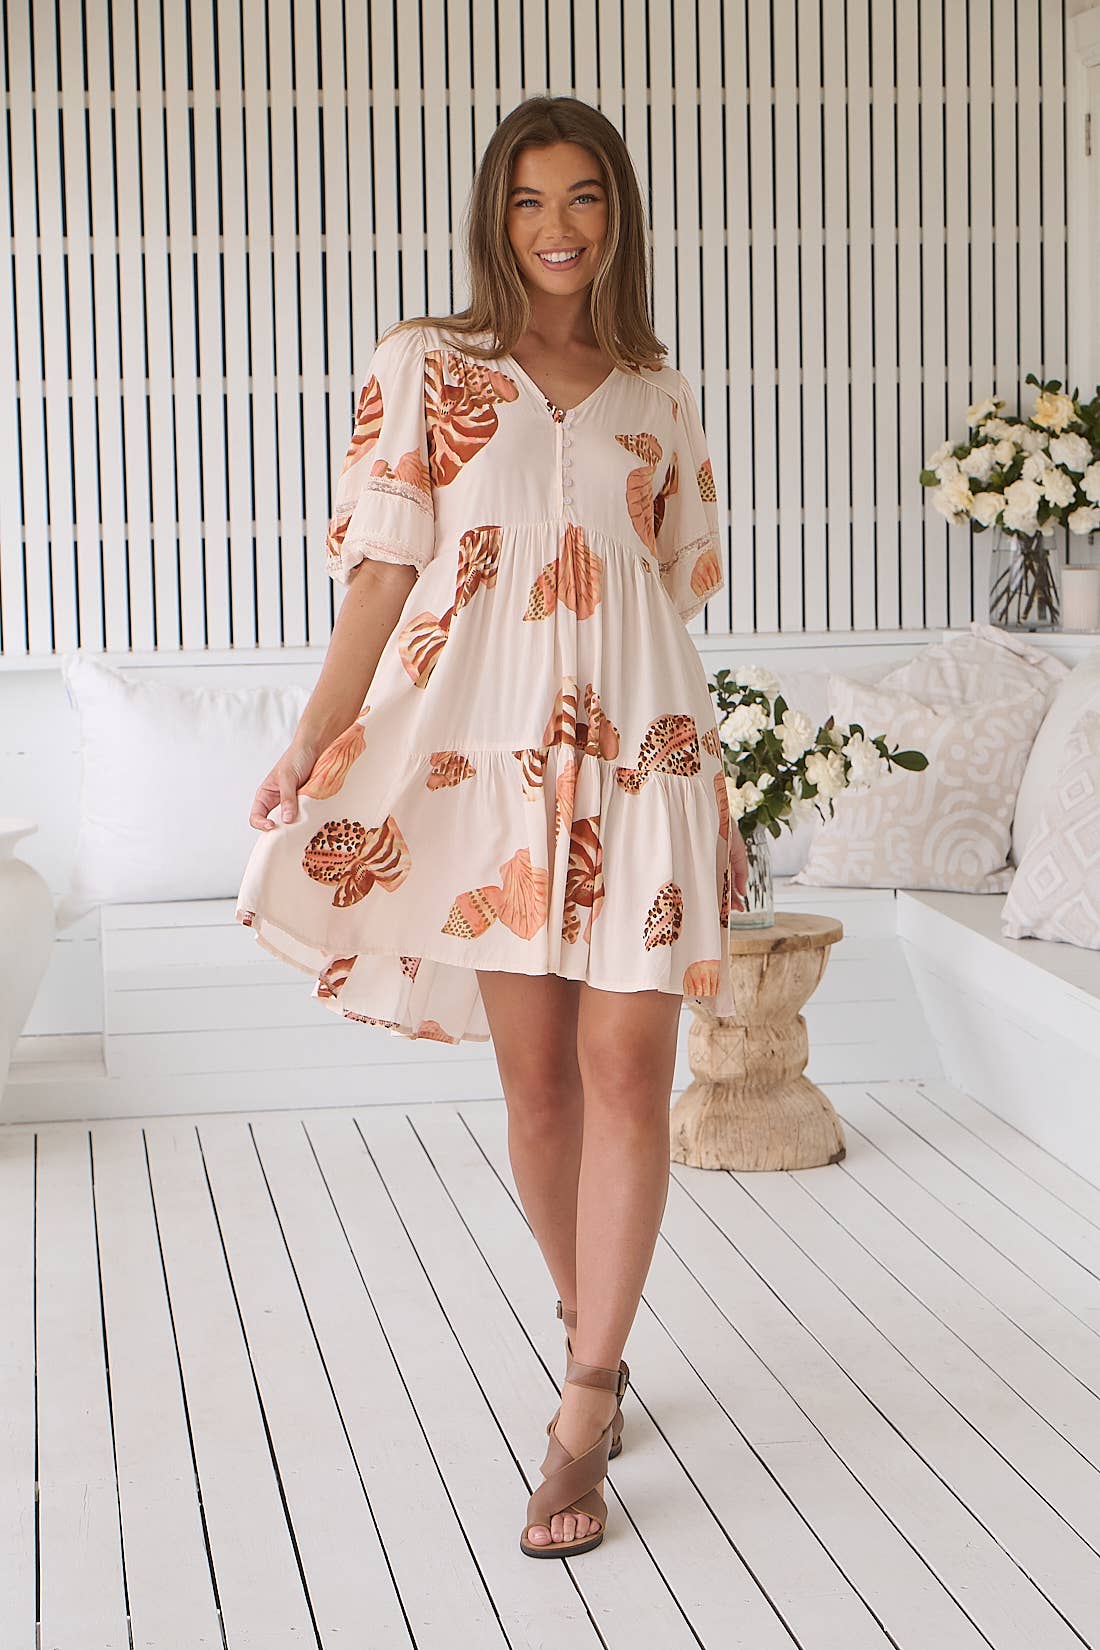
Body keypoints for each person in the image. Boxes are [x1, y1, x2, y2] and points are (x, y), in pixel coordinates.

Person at [237, 95, 748, 1560]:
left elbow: (667, 596)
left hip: (643, 755)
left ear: (618, 213)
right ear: (493, 218)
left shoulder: (655, 393)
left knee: (629, 1068)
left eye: (583, 197)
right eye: (529, 201)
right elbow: (383, 576)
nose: (558, 227)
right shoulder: (428, 366)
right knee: (539, 1091)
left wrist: (693, 773)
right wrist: (312, 736)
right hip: (489, 771)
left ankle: (583, 1403)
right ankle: (596, 1325)